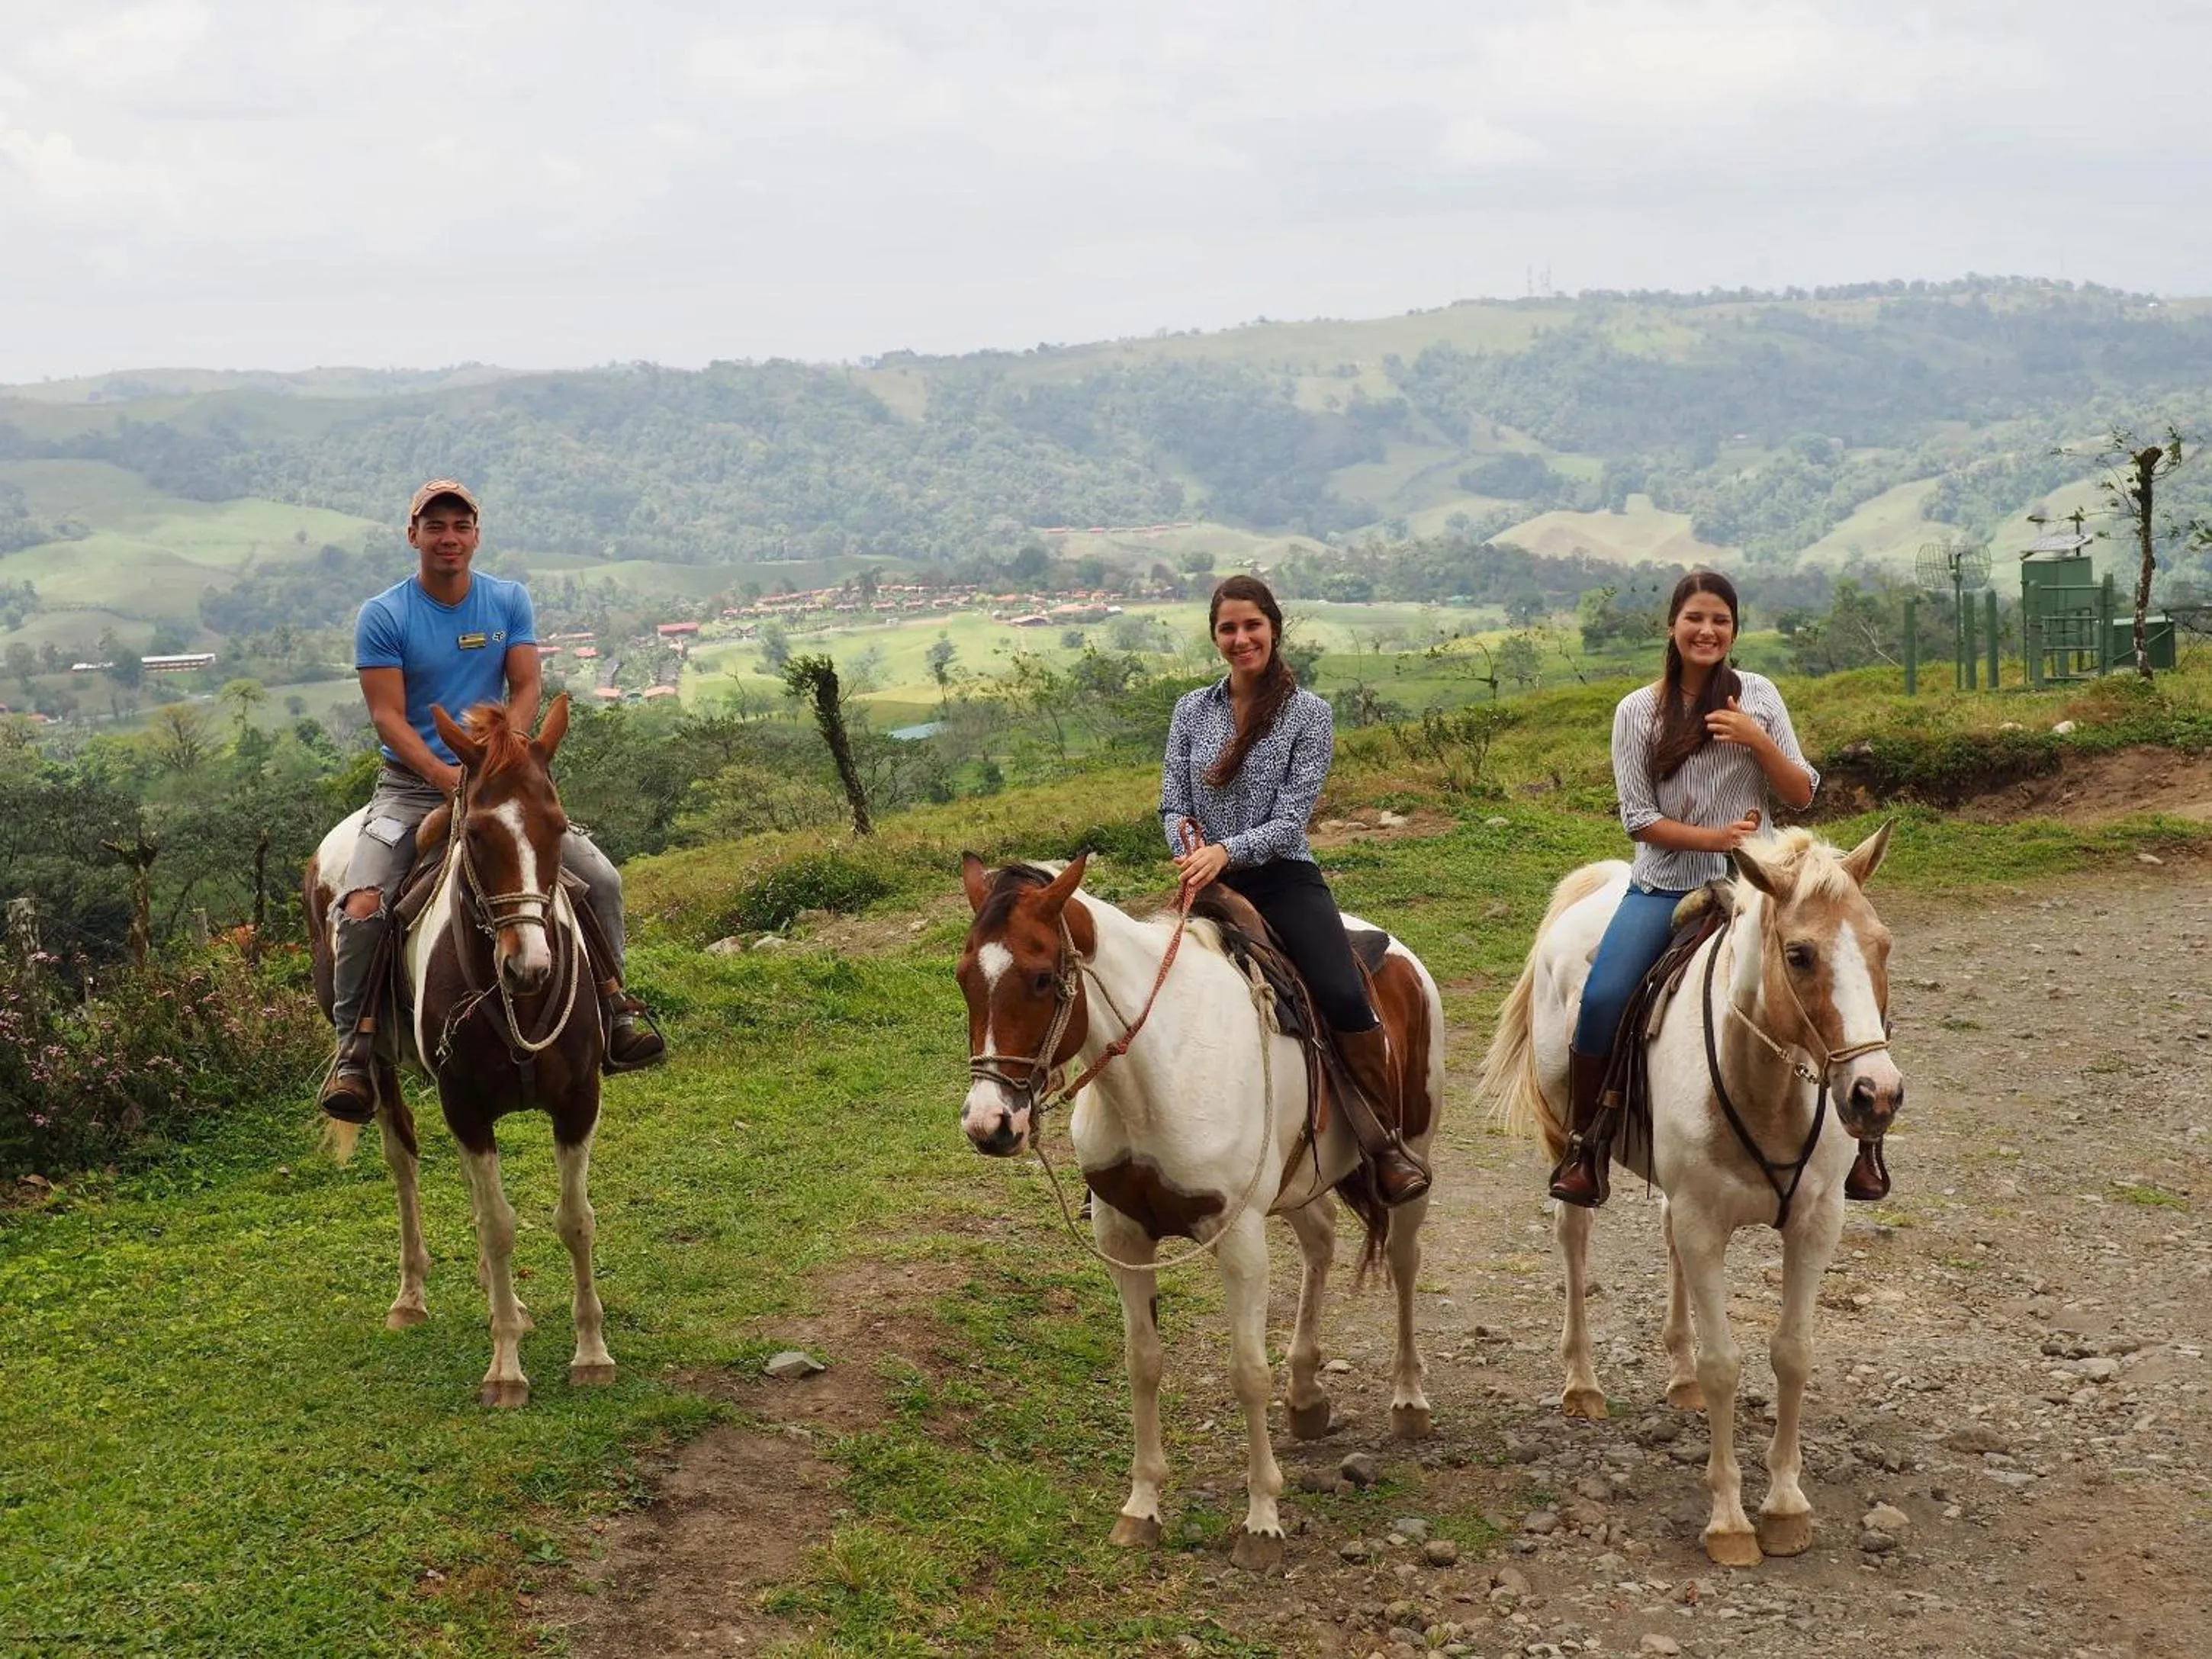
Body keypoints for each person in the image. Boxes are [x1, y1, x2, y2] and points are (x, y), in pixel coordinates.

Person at [317, 479, 664, 1122]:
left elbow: (527, 683)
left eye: (460, 525)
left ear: (476, 535)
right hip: (411, 784)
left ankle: (616, 1009)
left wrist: (509, 759)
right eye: (435, 525)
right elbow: (389, 718)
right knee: (363, 906)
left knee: (602, 880)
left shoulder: (507, 599)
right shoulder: (385, 615)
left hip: (500, 779)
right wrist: (454, 779)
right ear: (412, 534)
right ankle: (354, 1051)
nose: (448, 537)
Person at [1549, 569, 1868, 1207]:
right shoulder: (1637, 711)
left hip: (1765, 888)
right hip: (1666, 886)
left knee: (1850, 978)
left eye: (1720, 619)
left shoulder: (1761, 696)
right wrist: (1718, 839)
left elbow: (1801, 792)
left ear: (1734, 629)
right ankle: (1588, 1145)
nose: (1707, 630)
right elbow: (1639, 818)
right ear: (1672, 626)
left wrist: (1755, 738)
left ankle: (1864, 1141)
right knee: (1604, 998)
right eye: (1695, 617)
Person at [1159, 574, 1430, 1205]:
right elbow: (1173, 800)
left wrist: (1228, 850)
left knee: (1339, 990)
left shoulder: (1309, 715)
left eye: (1251, 624)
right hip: (1205, 879)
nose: (1240, 637)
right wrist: (1192, 850)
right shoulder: (1189, 710)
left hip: (1281, 877)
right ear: (1215, 636)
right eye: (1228, 627)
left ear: (1273, 627)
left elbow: (1290, 820)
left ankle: (1381, 1140)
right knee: (1142, 985)